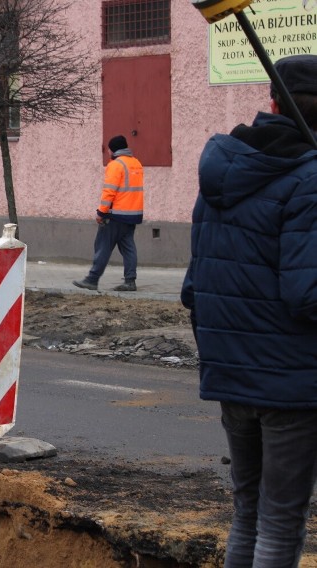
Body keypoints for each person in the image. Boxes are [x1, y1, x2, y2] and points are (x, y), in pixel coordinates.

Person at [181, 54, 317, 567]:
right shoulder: (308, 179)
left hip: (232, 372)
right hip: (291, 381)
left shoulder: (221, 169)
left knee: (249, 512)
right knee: (281, 522)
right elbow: (308, 294)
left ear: (272, 102)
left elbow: (195, 285)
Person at [73, 134, 144, 292]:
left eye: (109, 150)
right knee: (128, 248)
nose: (108, 153)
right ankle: (130, 281)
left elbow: (109, 192)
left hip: (115, 215)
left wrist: (101, 212)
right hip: (132, 215)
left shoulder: (116, 165)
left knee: (103, 246)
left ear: (114, 150)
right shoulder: (136, 163)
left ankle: (92, 279)